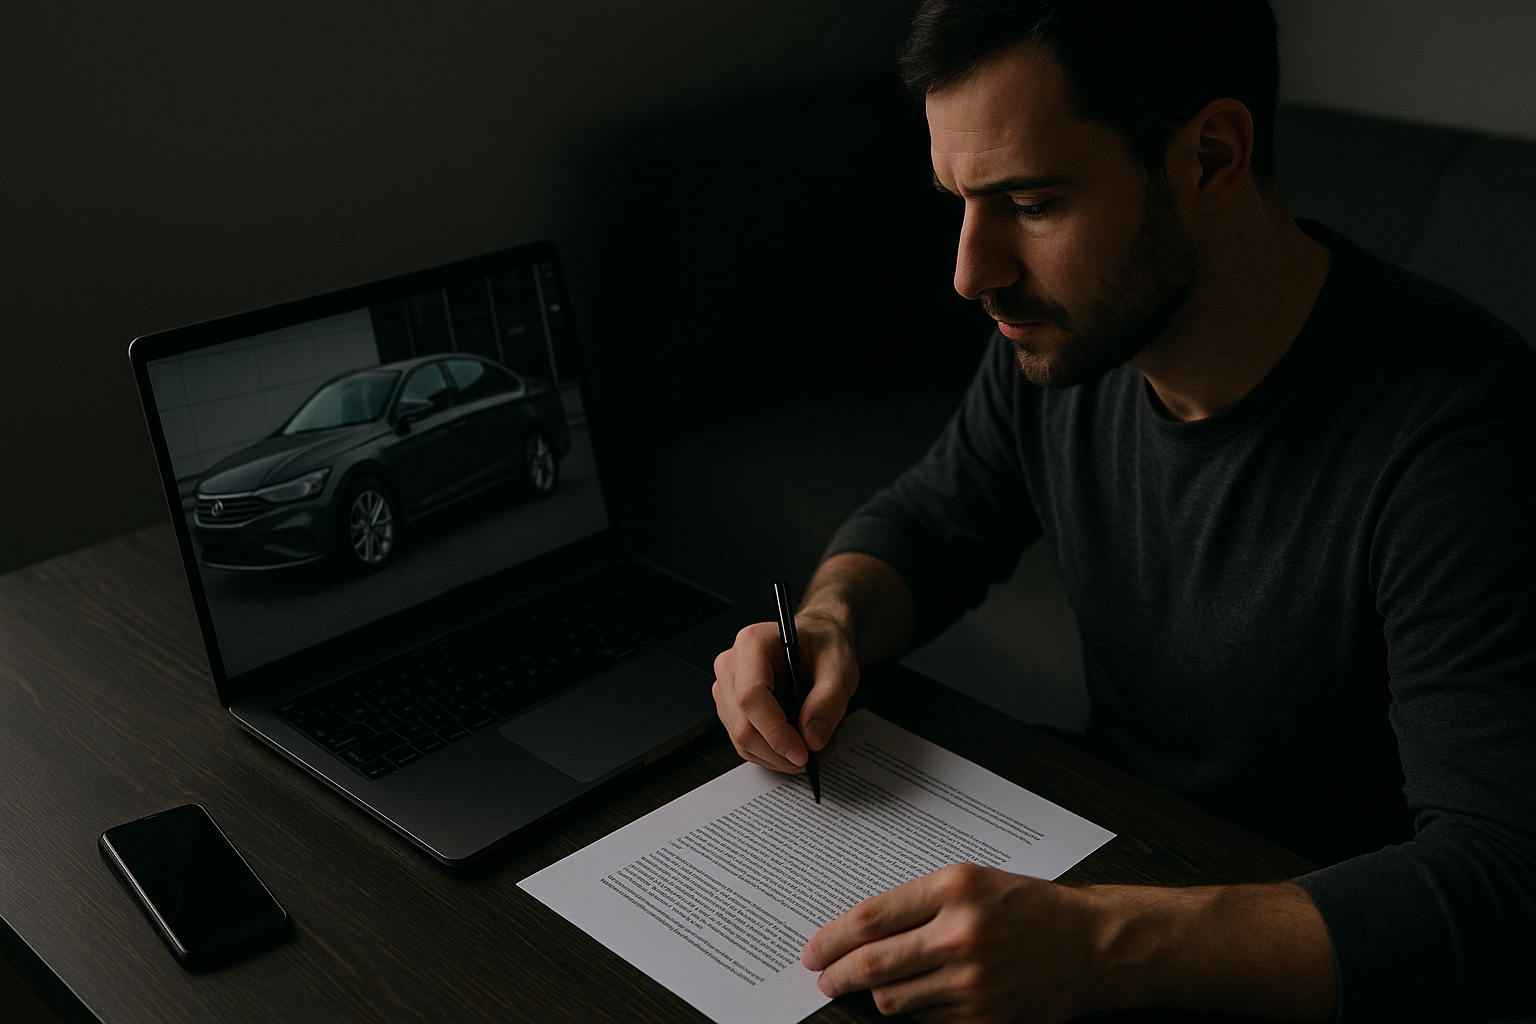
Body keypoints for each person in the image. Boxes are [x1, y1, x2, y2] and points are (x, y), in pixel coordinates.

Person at [709, 2, 1536, 1021]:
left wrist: (1101, 941)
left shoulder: (1464, 443)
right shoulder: (1063, 340)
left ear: (1211, 157)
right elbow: (930, 521)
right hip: (1111, 873)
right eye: (961, 201)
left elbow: (1505, 885)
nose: (971, 272)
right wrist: (831, 619)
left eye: (1031, 201)